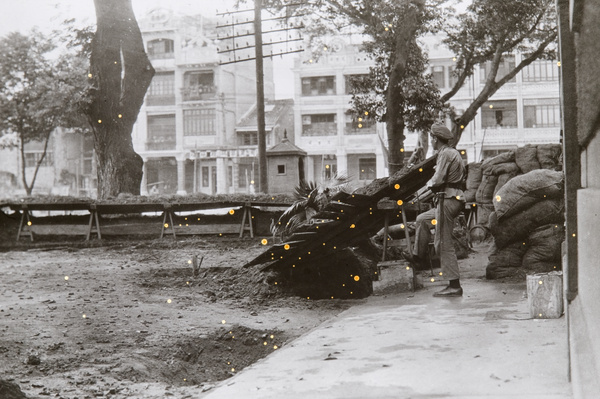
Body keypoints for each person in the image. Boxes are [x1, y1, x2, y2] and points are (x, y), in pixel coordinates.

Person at [410, 124, 466, 297]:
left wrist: (418, 193)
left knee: (443, 242)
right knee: (422, 219)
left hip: (448, 200)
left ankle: (454, 285)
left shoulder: (446, 154)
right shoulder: (449, 152)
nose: (431, 141)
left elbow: (437, 180)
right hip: (450, 199)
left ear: (435, 139)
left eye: (432, 138)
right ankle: (418, 257)